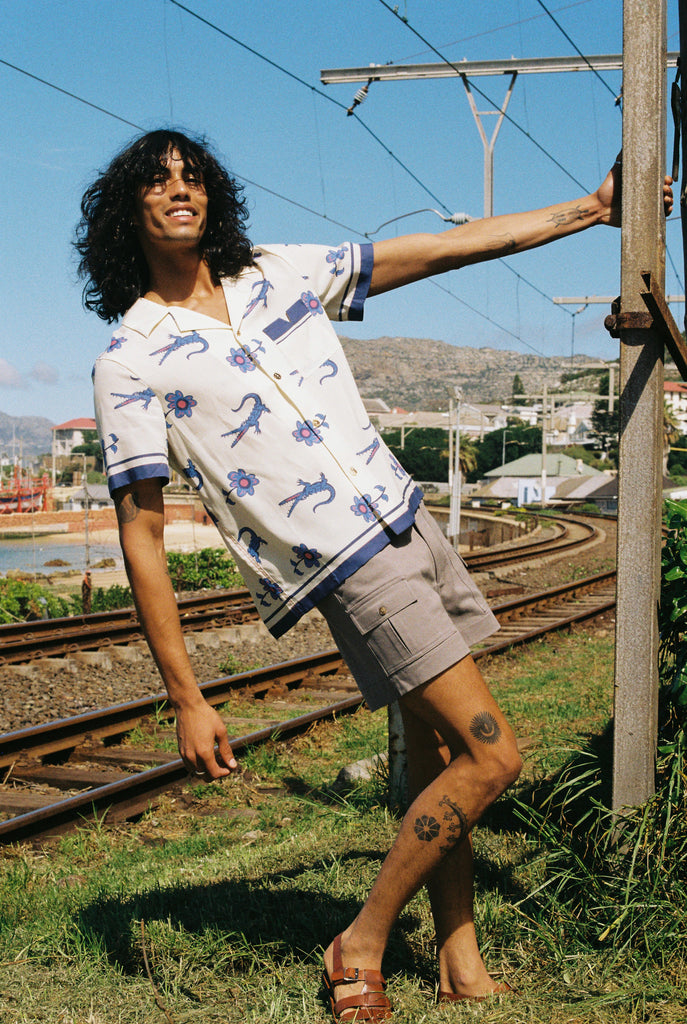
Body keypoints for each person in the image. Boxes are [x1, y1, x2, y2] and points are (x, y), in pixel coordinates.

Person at [75, 130, 671, 1020]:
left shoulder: (275, 271)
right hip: (347, 564)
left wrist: (588, 211)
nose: (179, 190)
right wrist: (186, 696)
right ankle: (359, 940)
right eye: (156, 183)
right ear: (128, 212)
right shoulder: (131, 358)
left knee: (444, 754)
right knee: (494, 754)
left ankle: (460, 964)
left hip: (407, 517)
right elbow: (142, 531)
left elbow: (433, 250)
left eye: (191, 175)